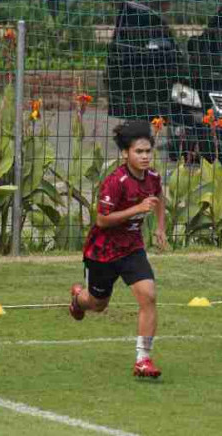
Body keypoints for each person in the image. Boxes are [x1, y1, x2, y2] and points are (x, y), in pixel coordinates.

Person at [69, 121, 167, 377]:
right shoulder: (116, 181)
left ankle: (143, 359)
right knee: (97, 304)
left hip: (132, 248)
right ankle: (78, 299)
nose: (145, 157)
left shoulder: (153, 178)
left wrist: (160, 228)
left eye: (148, 151)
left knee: (149, 295)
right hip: (102, 251)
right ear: (125, 154)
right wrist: (137, 209)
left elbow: (158, 198)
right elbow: (102, 220)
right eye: (139, 152)